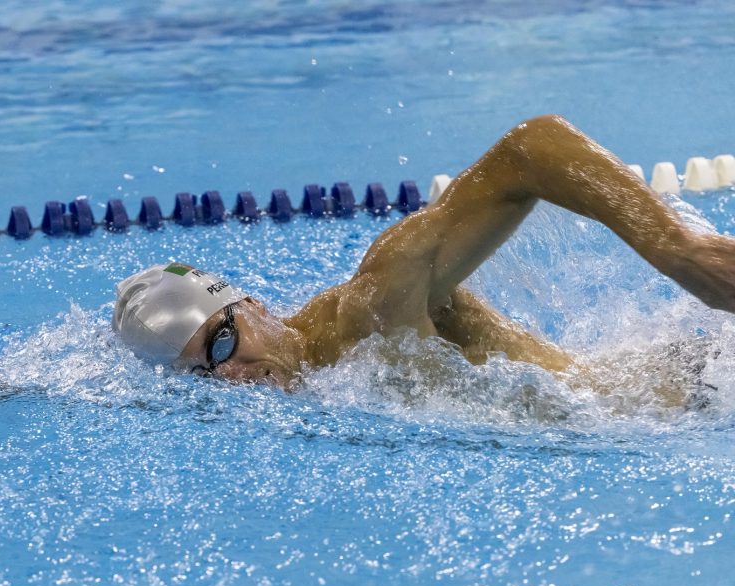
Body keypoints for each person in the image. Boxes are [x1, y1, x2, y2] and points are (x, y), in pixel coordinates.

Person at [114, 115, 735, 391]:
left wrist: (682, 251)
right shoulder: (329, 386)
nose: (230, 376)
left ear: (248, 304)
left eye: (221, 344)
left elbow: (530, 149)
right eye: (203, 376)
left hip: (698, 390)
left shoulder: (368, 316)